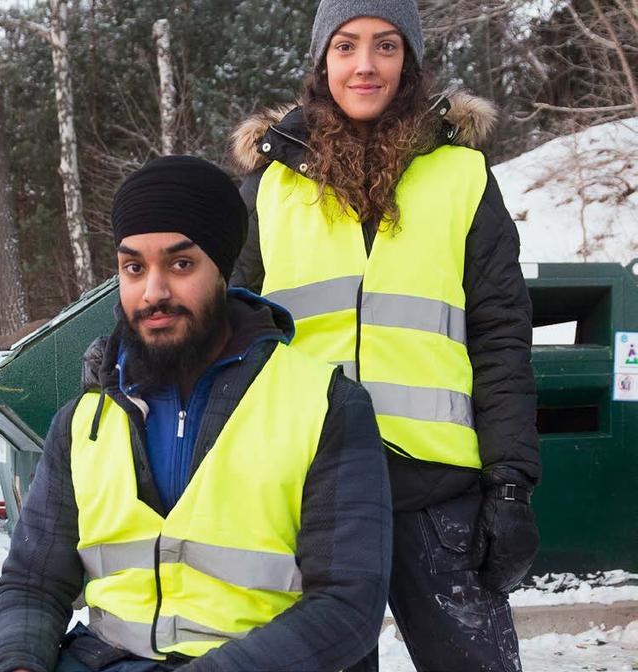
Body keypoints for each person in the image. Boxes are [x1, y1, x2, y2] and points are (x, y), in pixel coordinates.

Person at [0, 155, 392, 672]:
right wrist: (17, 661)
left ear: (222, 271)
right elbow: (31, 582)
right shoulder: (83, 423)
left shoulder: (326, 405)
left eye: (180, 265)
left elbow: (346, 607)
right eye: (134, 267)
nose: (153, 292)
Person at [229, 1, 541, 670]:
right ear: (321, 60)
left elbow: (501, 337)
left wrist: (511, 484)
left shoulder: (462, 177)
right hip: (310, 496)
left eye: (385, 46)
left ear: (411, 62)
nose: (364, 65)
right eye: (345, 46)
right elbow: (230, 339)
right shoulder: (272, 185)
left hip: (438, 496)